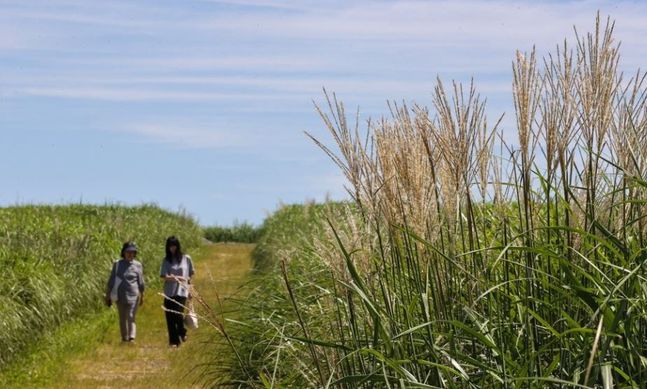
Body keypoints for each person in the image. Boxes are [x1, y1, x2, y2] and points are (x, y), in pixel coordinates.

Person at [105, 241, 145, 343]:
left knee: (131, 315)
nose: (130, 254)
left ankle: (132, 338)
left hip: (134, 295)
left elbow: (141, 282)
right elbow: (111, 280)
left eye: (133, 252)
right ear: (124, 252)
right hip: (120, 295)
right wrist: (108, 295)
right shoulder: (117, 264)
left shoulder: (138, 265)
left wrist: (142, 296)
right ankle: (124, 338)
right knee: (122, 317)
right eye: (128, 252)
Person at [160, 236, 194, 348]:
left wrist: (190, 289)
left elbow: (190, 275)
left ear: (178, 246)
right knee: (170, 316)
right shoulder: (166, 260)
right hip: (169, 291)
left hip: (182, 290)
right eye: (170, 246)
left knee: (178, 314)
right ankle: (174, 342)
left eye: (174, 245)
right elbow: (164, 276)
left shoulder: (186, 258)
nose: (172, 248)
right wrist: (176, 278)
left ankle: (182, 331)